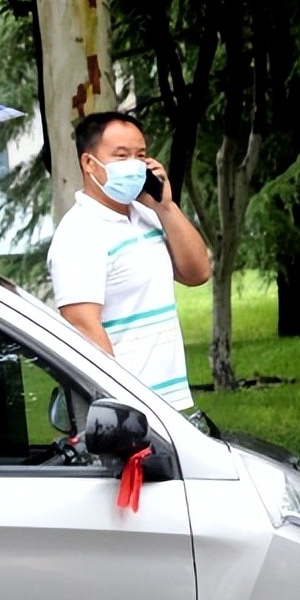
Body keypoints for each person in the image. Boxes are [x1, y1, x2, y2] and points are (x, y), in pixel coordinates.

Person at [46, 111, 210, 411]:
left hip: (167, 401)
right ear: (88, 163)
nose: (134, 165)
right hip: (124, 409)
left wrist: (167, 207)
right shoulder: (79, 233)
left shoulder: (147, 214)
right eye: (121, 156)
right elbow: (85, 326)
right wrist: (126, 406)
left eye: (141, 155)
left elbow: (197, 272)